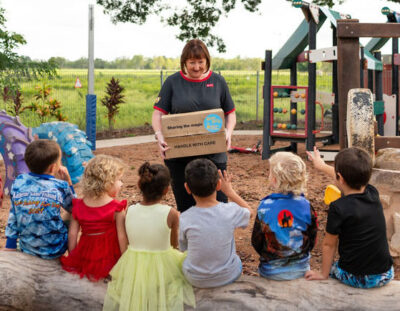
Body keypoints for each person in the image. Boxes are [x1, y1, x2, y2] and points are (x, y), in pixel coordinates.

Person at [152, 38, 236, 213]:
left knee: (219, 205)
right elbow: (158, 113)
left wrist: (228, 132)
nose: (196, 67)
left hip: (213, 154)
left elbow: (230, 113)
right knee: (186, 207)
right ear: (184, 62)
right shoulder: (172, 82)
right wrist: (159, 136)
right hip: (180, 156)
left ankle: (218, 239)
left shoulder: (218, 81)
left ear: (207, 61)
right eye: (192, 62)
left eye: (200, 62)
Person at [103, 162, 195, 311]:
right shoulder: (171, 213)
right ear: (166, 190)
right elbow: (173, 246)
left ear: (139, 185)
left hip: (133, 264)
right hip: (163, 263)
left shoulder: (130, 210)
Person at [305, 147, 394, 288]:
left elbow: (329, 244)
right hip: (385, 274)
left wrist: (323, 274)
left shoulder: (338, 208)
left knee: (335, 267)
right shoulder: (373, 193)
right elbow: (348, 178)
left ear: (340, 178)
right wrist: (322, 166)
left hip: (357, 278)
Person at [179, 158, 251, 288]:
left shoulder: (184, 218)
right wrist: (230, 192)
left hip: (195, 279)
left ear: (187, 188)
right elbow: (249, 212)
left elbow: (184, 249)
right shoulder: (230, 211)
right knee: (237, 260)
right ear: (219, 185)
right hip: (228, 275)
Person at [251, 152, 318, 280]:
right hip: (301, 269)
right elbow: (312, 237)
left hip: (271, 271)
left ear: (275, 180)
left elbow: (256, 240)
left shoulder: (265, 206)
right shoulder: (306, 205)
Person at [60, 155, 128, 281]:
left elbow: (73, 235)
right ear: (108, 181)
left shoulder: (78, 206)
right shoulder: (117, 208)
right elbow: (122, 237)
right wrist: (125, 261)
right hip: (110, 256)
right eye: (119, 180)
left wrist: (74, 257)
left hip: (86, 255)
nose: (121, 184)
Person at [4, 139, 75, 259]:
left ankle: (14, 245)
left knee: (19, 212)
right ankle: (73, 255)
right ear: (53, 168)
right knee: (73, 215)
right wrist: (69, 183)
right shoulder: (60, 186)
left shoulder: (19, 182)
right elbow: (75, 207)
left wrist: (10, 245)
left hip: (28, 248)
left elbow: (13, 216)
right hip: (55, 249)